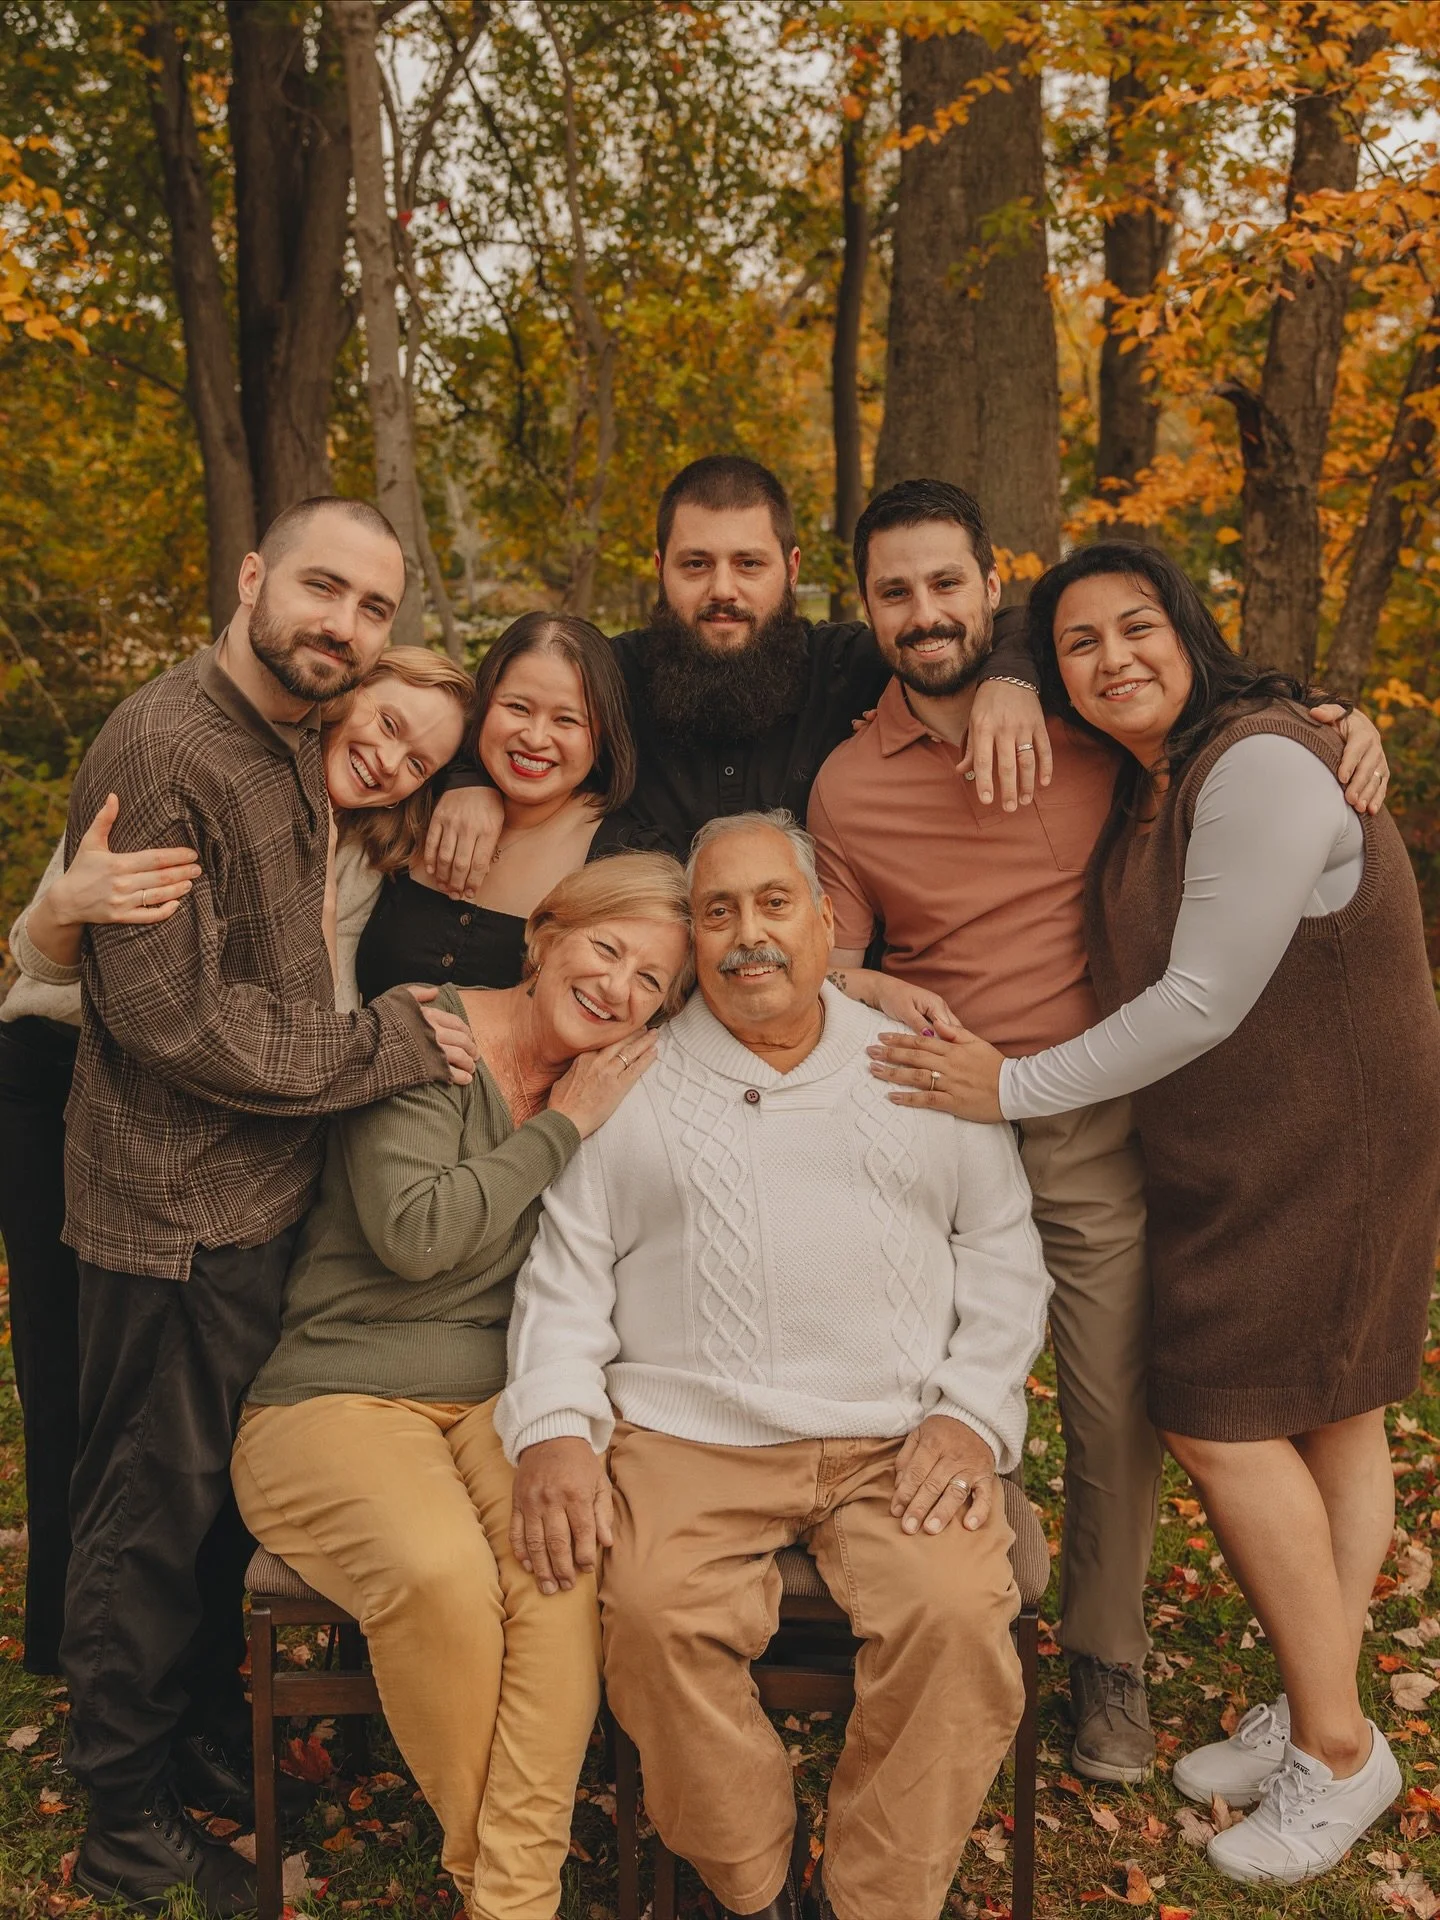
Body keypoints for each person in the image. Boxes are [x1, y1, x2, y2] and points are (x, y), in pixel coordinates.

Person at [869, 541, 1440, 1887]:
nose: (1115, 657)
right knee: (1335, 1413)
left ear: (1189, 633)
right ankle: (1319, 1704)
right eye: (1080, 644)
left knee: (1223, 1418)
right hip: (1263, 1136)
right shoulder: (1158, 773)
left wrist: (1003, 1086)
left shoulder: (1258, 763)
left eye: (1139, 628)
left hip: (1333, 1138)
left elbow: (1200, 1003)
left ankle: (1342, 1755)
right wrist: (1010, 669)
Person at [498, 812, 1053, 1920]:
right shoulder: (631, 1081)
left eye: (772, 904)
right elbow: (564, 1281)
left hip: (898, 1433)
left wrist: (973, 1413)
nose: (748, 935)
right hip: (688, 1436)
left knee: (953, 1616)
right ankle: (748, 1880)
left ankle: (875, 1896)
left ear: (825, 922)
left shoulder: (916, 1066)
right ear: (694, 945)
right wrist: (555, 1425)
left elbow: (1003, 1250)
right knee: (652, 1618)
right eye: (718, 913)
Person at [58, 497, 482, 1918]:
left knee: (203, 1517)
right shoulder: (170, 749)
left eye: (371, 610)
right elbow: (183, 1024)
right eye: (322, 589)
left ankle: (181, 1742)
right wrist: (393, 1047)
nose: (342, 626)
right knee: (146, 1512)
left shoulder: (290, 740)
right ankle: (120, 1813)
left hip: (254, 1208)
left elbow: (399, 773)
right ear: (251, 578)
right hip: (170, 1210)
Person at [231, 855, 693, 1920]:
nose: (619, 987)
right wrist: (561, 1128)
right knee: (442, 1579)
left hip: (506, 1399)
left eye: (651, 981)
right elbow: (417, 1235)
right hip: (334, 1396)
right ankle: (511, 1890)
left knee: (562, 1571)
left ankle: (503, 1896)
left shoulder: (628, 1081)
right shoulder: (424, 1033)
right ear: (544, 934)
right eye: (605, 948)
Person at [0, 645, 471, 1679]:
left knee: (177, 1409)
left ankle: (178, 1667)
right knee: (74, 1377)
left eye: (425, 762)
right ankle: (86, 1663)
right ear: (346, 697)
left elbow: (316, 1004)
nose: (396, 761)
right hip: (65, 1065)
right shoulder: (199, 771)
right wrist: (61, 908)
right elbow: (37, 962)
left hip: (215, 1098)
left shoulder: (356, 847)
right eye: (388, 725)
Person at [420, 455, 1052, 897]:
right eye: (697, 564)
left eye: (749, 563)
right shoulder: (609, 676)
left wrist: (1011, 678)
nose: (723, 590)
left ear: (792, 567)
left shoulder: (852, 666)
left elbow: (998, 624)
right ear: (662, 568)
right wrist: (471, 777)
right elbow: (507, 713)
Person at [353, 611, 645, 1001]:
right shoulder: (416, 791)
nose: (536, 737)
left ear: (603, 733)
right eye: (517, 707)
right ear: (485, 703)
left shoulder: (626, 858)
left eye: (567, 720)